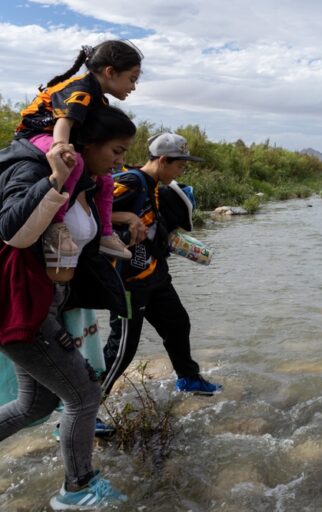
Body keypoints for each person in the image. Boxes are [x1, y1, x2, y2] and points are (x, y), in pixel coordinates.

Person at [0, 105, 136, 509]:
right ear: (86, 144)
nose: (120, 160)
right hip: (23, 307)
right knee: (83, 396)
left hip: (43, 305)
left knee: (36, 404)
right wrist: (56, 178)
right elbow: (13, 231)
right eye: (115, 150)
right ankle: (76, 490)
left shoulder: (90, 186)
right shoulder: (35, 172)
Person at [102, 132, 222, 396]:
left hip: (155, 275)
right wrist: (128, 216)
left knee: (178, 323)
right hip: (128, 281)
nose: (180, 172)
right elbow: (91, 210)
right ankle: (84, 410)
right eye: (179, 166)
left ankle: (189, 379)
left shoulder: (154, 185)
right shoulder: (132, 182)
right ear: (164, 160)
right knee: (122, 348)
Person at [16, 40, 143, 264]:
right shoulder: (82, 88)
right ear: (110, 72)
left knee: (105, 180)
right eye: (132, 79)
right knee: (74, 163)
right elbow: (63, 123)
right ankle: (57, 226)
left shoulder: (99, 99)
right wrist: (61, 148)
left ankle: (104, 233)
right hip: (36, 133)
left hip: (53, 133)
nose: (133, 87)